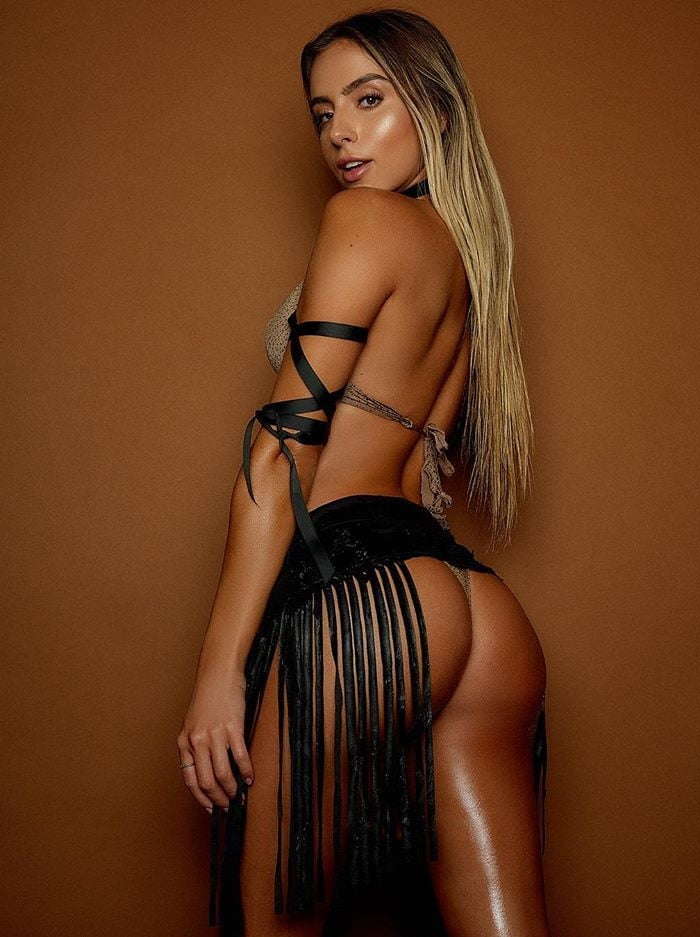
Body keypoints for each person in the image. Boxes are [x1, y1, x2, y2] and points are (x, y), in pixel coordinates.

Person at [177, 9, 549, 937]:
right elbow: (427, 472)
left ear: (434, 107)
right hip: (474, 609)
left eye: (368, 99)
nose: (341, 132)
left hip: (361, 596)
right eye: (323, 113)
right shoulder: (468, 260)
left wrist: (220, 670)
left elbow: (282, 447)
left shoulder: (364, 219)